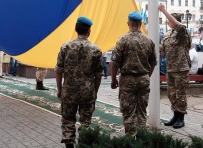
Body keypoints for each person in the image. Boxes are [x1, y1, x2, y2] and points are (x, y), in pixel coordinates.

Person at [55, 16, 103, 148]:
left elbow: (59, 71)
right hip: (87, 91)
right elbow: (98, 74)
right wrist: (95, 91)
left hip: (69, 90)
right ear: (89, 31)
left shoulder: (66, 47)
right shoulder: (96, 50)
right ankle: (83, 145)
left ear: (76, 29)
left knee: (68, 120)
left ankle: (69, 145)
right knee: (86, 122)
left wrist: (59, 89)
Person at [110, 11, 157, 135]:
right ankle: (142, 139)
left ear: (128, 23)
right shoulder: (149, 41)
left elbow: (114, 63)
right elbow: (154, 62)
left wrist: (113, 79)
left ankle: (130, 140)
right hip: (143, 79)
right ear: (141, 24)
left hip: (127, 80)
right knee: (142, 112)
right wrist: (147, 75)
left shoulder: (122, 40)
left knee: (128, 112)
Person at [159, 4, 191, 129]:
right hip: (170, 68)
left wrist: (163, 10)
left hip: (181, 68)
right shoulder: (168, 35)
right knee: (172, 94)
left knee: (180, 94)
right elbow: (163, 48)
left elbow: (178, 25)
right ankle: (175, 116)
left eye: (170, 20)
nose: (168, 22)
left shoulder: (183, 32)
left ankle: (181, 118)